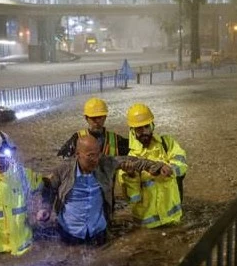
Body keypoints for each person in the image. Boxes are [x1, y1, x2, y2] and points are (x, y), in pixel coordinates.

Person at [44, 134, 174, 246]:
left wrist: (158, 166)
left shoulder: (105, 163)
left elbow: (134, 161)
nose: (95, 160)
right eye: (90, 156)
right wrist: (45, 208)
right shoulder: (63, 170)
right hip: (69, 233)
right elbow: (49, 189)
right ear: (78, 155)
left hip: (99, 233)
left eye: (97, 154)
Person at [118, 103, 188, 229]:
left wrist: (170, 169)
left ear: (152, 125)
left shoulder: (167, 143)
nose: (144, 131)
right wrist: (131, 175)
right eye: (139, 129)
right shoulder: (129, 159)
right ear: (132, 131)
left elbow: (182, 164)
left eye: (146, 126)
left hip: (173, 219)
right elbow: (133, 198)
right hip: (147, 226)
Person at [57, 97, 129, 158]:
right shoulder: (77, 138)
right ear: (86, 118)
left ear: (105, 117)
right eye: (93, 118)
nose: (97, 121)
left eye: (99, 117)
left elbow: (134, 150)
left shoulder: (115, 139)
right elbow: (62, 158)